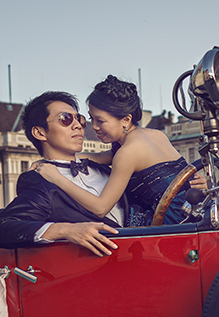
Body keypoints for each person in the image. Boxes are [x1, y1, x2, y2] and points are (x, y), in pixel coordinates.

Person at [32, 75, 198, 227]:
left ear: (126, 119)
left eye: (101, 121)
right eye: (91, 119)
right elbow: (103, 157)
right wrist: (56, 160)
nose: (94, 126)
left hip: (170, 222)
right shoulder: (155, 135)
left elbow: (100, 208)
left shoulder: (127, 153)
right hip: (193, 209)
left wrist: (56, 177)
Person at [0, 91, 123, 257]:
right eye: (65, 118)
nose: (78, 125)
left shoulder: (107, 167)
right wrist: (65, 230)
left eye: (79, 119)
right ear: (40, 133)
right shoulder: (41, 183)